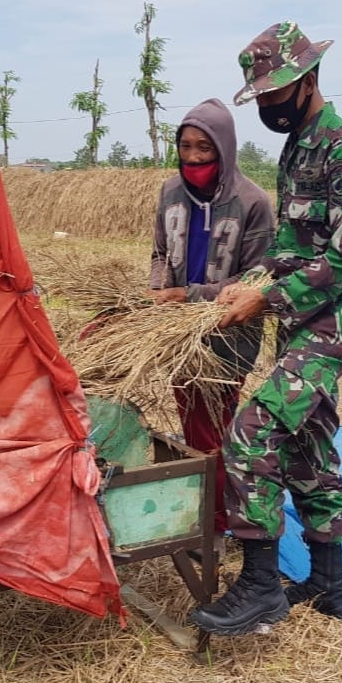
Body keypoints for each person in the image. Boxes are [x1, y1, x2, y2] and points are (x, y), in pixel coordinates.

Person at [189, 21, 342, 636]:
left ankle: (261, 584)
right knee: (307, 442)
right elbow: (293, 246)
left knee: (253, 428)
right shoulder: (296, 148)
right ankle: (329, 584)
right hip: (299, 321)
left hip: (334, 323)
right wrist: (253, 281)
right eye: (260, 97)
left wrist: (271, 297)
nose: (267, 106)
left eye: (274, 93)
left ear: (309, 79)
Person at [148, 98, 274, 557]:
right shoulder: (170, 193)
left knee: (213, 428)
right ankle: (206, 512)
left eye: (206, 147)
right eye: (186, 146)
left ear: (225, 148)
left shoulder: (252, 202)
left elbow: (258, 276)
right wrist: (159, 294)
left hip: (229, 334)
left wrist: (190, 295)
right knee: (191, 420)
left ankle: (217, 527)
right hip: (177, 332)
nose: (195, 157)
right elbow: (161, 252)